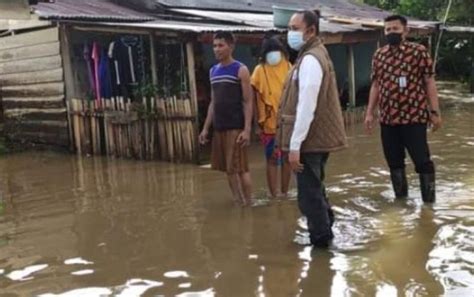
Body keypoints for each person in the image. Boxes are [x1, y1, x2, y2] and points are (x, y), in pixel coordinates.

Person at [276, 10, 348, 247]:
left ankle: (322, 244)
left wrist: (295, 146)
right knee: (315, 188)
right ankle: (327, 228)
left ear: (311, 31)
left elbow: (307, 105)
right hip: (313, 137)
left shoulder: (310, 59)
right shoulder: (313, 54)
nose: (290, 33)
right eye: (289, 28)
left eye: (295, 28)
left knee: (308, 196)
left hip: (308, 140)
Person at [364, 15, 442, 203]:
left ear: (405, 31)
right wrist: (369, 113)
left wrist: (435, 112)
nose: (391, 33)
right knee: (394, 163)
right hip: (388, 119)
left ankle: (429, 204)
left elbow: (429, 82)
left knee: (422, 161)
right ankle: (401, 203)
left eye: (395, 29)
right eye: (388, 29)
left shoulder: (419, 52)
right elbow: (375, 85)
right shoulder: (379, 55)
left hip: (414, 117)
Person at [199, 31, 253, 206]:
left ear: (231, 47)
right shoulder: (213, 71)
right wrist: (206, 128)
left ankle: (249, 203)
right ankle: (238, 202)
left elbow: (248, 101)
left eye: (221, 45)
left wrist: (246, 130)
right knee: (229, 170)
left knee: (241, 168)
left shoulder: (241, 69)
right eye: (214, 46)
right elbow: (213, 102)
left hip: (236, 127)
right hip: (220, 127)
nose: (216, 49)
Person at [251, 37, 292, 199]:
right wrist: (256, 124)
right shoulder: (260, 70)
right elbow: (254, 99)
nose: (274, 55)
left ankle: (285, 193)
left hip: (288, 123)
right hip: (268, 124)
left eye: (276, 50)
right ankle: (274, 195)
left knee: (287, 160)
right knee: (272, 160)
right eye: (270, 51)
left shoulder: (289, 67)